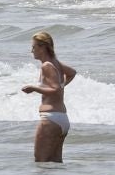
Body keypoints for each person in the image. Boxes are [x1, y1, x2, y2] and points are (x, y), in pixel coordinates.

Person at [21, 31, 76, 163]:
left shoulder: (46, 65)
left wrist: (33, 88)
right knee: (55, 163)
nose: (31, 51)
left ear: (43, 47)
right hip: (62, 119)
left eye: (34, 47)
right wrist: (62, 85)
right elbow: (72, 73)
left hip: (50, 119)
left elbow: (55, 88)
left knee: (41, 162)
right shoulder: (56, 63)